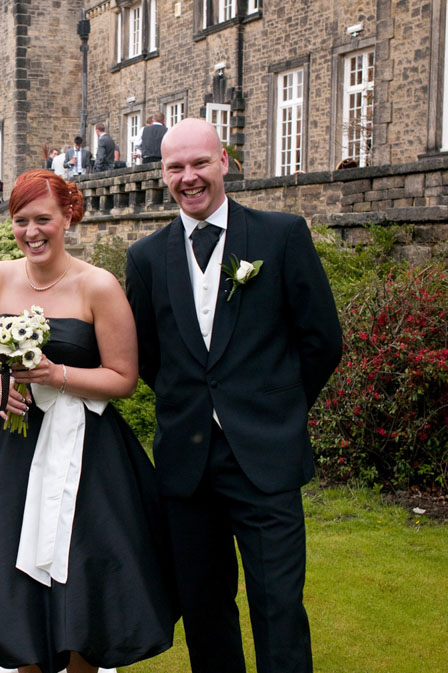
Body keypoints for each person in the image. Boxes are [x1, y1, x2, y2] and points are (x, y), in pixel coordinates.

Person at [0, 169, 178, 673]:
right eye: (20, 220)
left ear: (69, 215)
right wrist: (2, 389)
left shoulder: (99, 286)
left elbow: (123, 377)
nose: (31, 231)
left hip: (87, 452)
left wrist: (56, 373)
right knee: (13, 585)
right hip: (11, 448)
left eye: (42, 218)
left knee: (82, 581)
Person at [124, 118, 342, 673]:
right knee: (203, 607)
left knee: (279, 606)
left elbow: (321, 340)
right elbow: (149, 355)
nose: (189, 177)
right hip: (186, 461)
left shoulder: (280, 234)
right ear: (162, 174)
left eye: (200, 163)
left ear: (225, 162)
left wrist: (276, 408)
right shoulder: (146, 257)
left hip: (265, 453)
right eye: (176, 167)